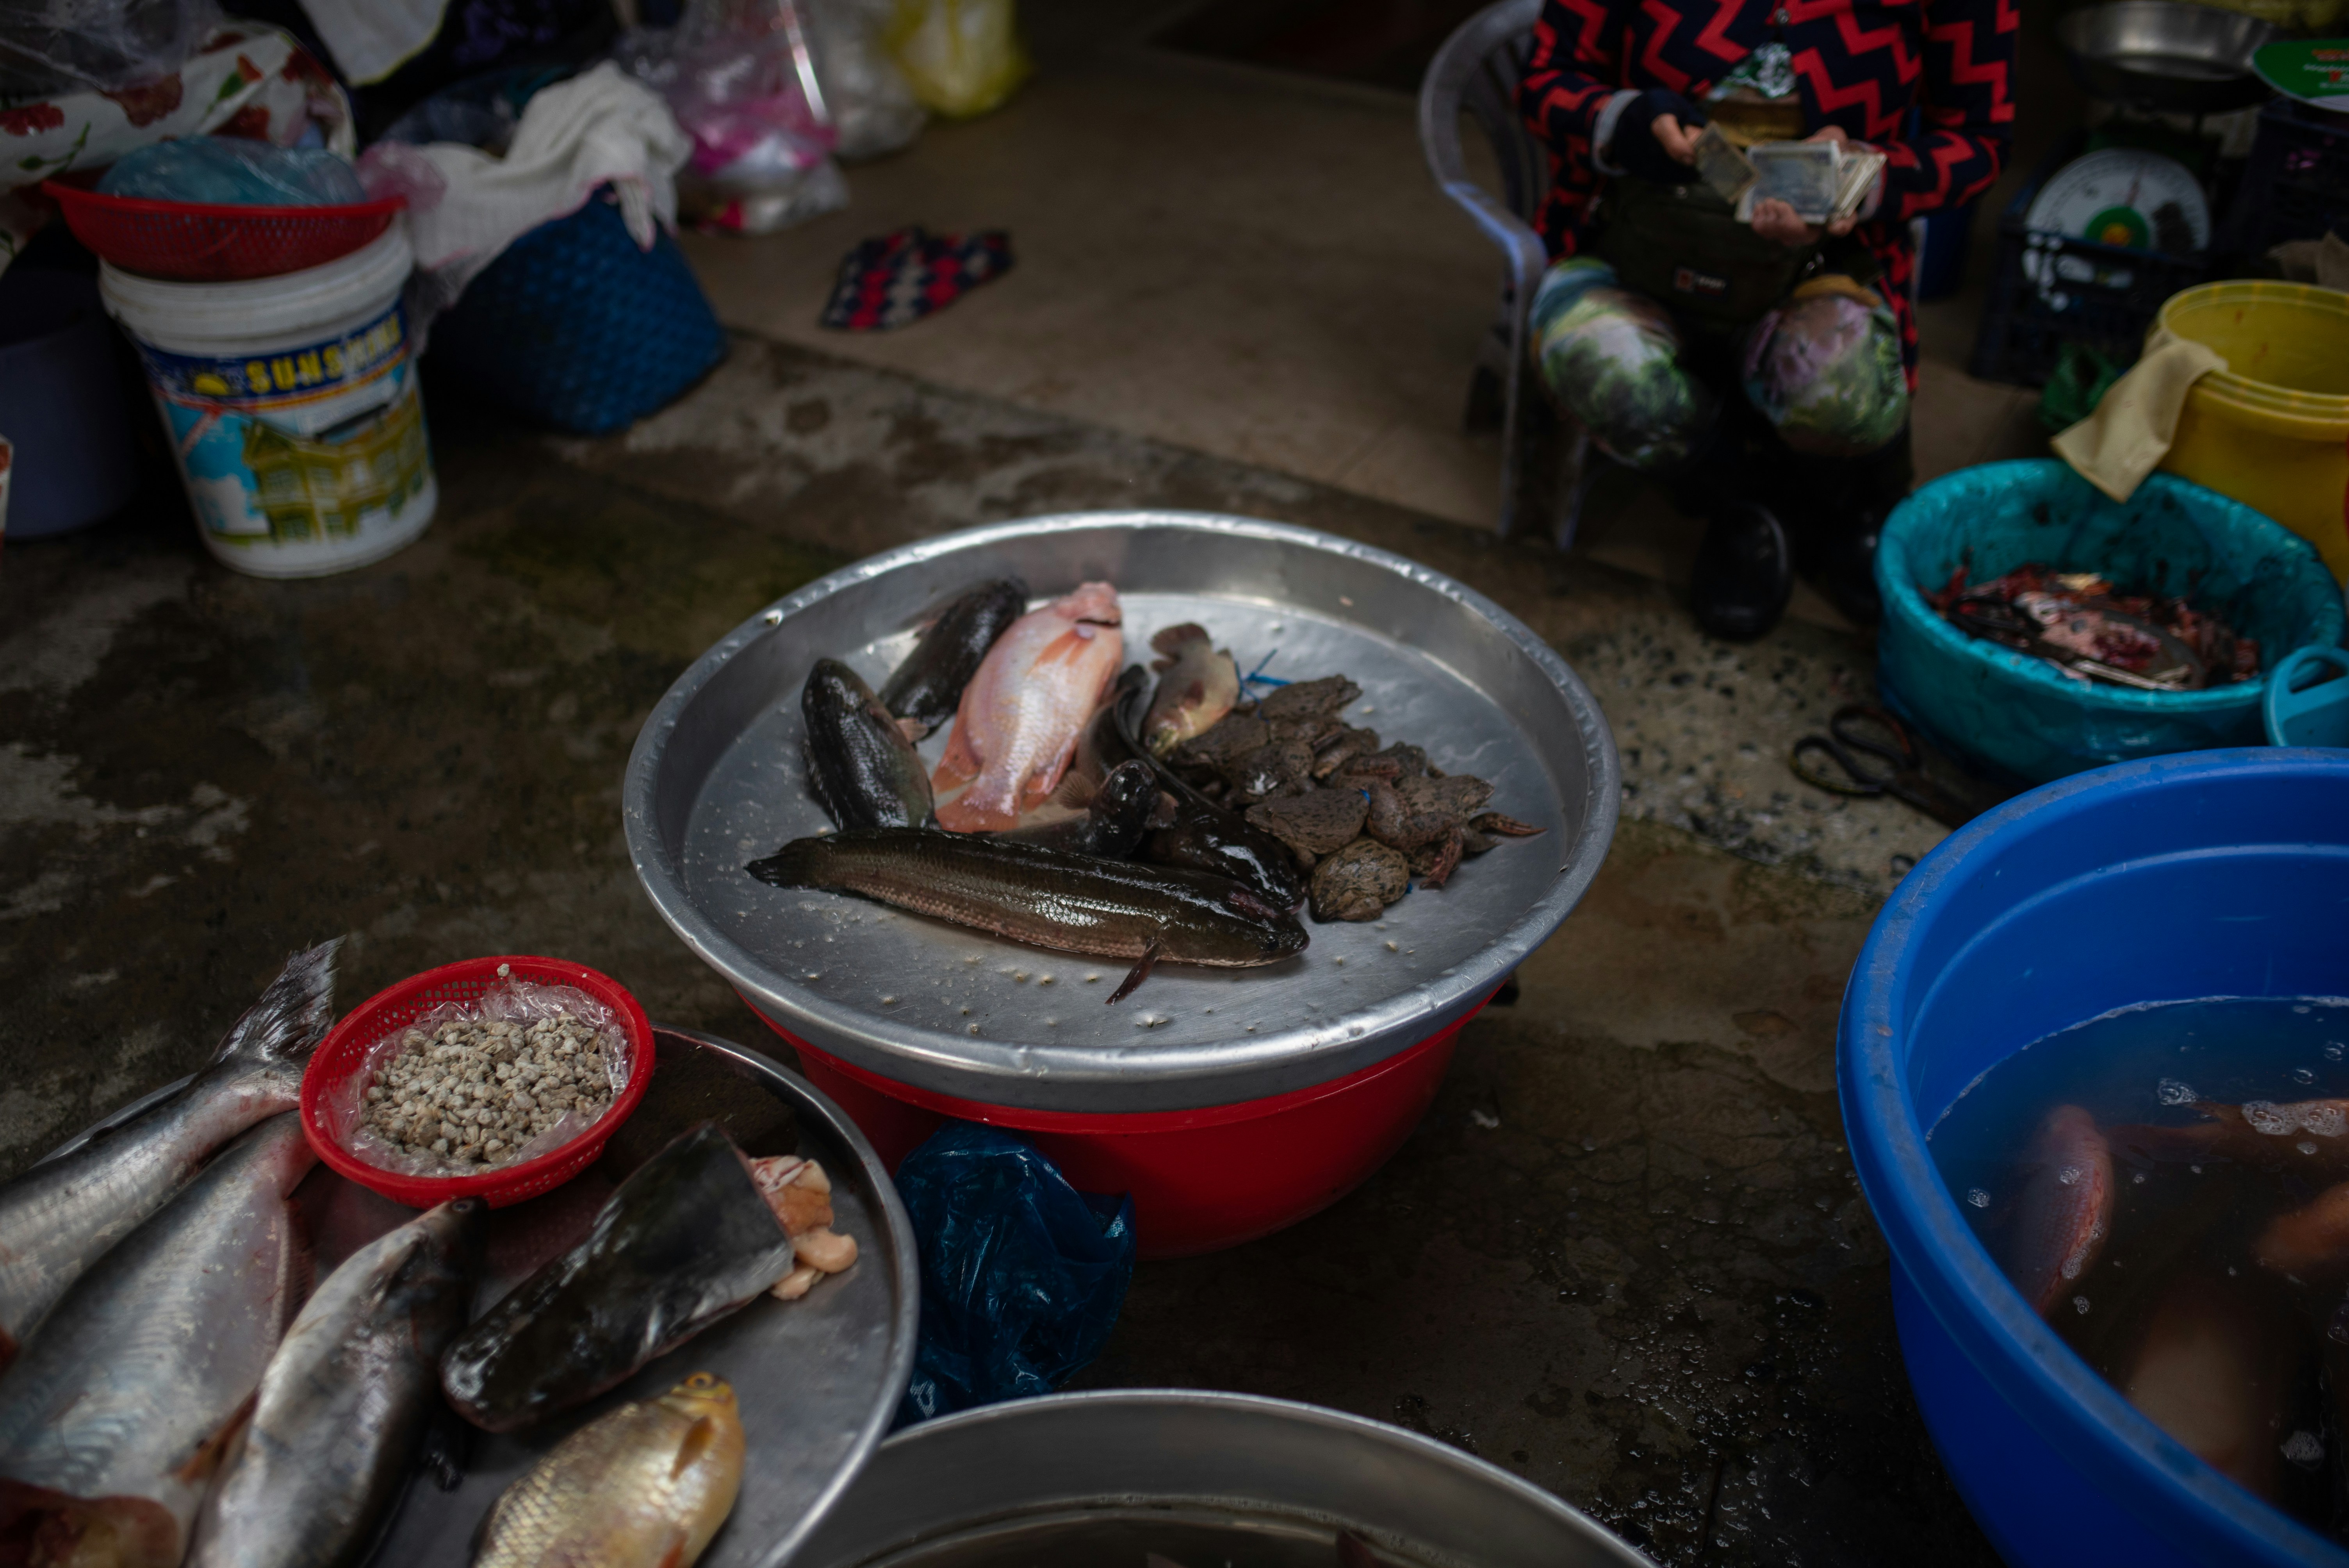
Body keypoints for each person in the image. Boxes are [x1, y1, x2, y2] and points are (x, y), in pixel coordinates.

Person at [1518, 0, 2014, 639]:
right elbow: (1544, 79)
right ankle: (1746, 503)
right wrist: (1628, 123)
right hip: (1635, 248)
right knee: (1602, 369)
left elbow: (1979, 140)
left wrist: (1865, 177)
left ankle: (1845, 500)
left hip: (1822, 263)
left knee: (1849, 398)